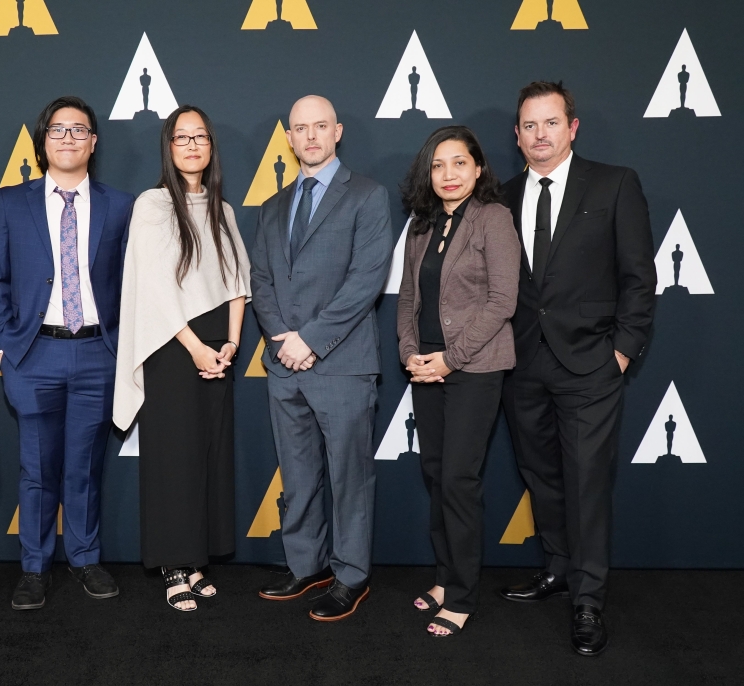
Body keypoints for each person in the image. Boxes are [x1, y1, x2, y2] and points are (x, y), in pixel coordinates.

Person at [499, 82, 656, 655]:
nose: (539, 135)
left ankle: (588, 600)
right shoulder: (503, 194)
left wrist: (622, 349)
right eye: (528, 125)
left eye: (550, 123)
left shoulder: (614, 184)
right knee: (541, 475)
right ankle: (558, 569)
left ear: (573, 127)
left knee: (588, 482)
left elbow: (640, 276)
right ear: (516, 134)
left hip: (592, 362)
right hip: (522, 362)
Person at [0, 96, 134, 611]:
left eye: (79, 130)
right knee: (36, 468)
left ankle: (86, 558)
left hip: (97, 354)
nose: (68, 138)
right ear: (42, 142)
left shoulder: (121, 206)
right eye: (57, 130)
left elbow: (136, 285)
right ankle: (34, 566)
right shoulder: (10, 203)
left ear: (93, 142)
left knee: (85, 467)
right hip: (33, 354)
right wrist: (3, 349)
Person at [251, 95, 392, 621]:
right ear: (289, 137)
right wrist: (285, 339)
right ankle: (306, 564)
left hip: (343, 364)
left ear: (337, 132)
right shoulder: (271, 207)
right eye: (299, 128)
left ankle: (351, 575)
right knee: (299, 473)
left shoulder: (368, 197)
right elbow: (260, 280)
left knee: (349, 477)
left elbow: (366, 281)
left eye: (320, 126)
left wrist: (309, 340)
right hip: (285, 364)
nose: (310, 136)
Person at [114, 105, 250, 612]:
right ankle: (173, 566)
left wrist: (231, 344)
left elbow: (238, 284)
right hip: (172, 344)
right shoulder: (152, 205)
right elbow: (152, 286)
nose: (192, 145)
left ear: (211, 146)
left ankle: (197, 560)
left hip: (220, 343)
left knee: (210, 452)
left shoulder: (224, 209)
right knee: (174, 455)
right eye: (181, 137)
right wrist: (195, 347)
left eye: (201, 137)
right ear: (168, 147)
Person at [396, 126, 520, 637]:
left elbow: (502, 302)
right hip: (425, 369)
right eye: (438, 165)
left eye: (459, 163)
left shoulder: (494, 218)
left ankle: (464, 595)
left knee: (458, 481)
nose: (449, 174)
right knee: (434, 472)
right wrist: (410, 353)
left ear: (479, 168)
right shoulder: (422, 226)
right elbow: (407, 299)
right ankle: (446, 577)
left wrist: (450, 358)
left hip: (476, 368)